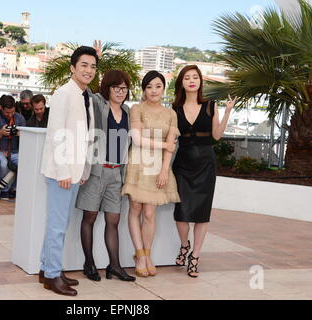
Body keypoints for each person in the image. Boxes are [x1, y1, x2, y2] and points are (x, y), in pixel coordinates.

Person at [39, 46, 98, 296]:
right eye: (84, 65)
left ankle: (47, 269)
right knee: (57, 226)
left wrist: (83, 169)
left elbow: (86, 137)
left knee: (60, 223)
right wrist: (64, 171)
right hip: (61, 172)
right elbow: (56, 135)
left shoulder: (87, 95)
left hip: (75, 171)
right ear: (72, 67)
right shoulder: (64, 93)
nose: (89, 70)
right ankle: (52, 275)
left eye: (93, 66)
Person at [172, 65, 236, 278]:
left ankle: (195, 257)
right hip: (182, 165)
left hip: (206, 166)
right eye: (187, 77)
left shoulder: (210, 105)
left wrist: (227, 112)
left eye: (195, 77)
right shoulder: (174, 108)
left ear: (200, 82)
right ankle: (184, 245)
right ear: (181, 82)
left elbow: (216, 135)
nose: (191, 80)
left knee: (201, 214)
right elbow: (170, 136)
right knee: (181, 212)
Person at [75, 70, 135, 282]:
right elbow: (87, 93)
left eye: (124, 88)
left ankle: (115, 266)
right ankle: (89, 263)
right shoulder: (98, 103)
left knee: (113, 220)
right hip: (96, 170)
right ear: (107, 88)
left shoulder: (127, 111)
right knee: (89, 217)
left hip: (116, 173)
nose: (120, 92)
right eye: (115, 87)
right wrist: (96, 67)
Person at [121, 71, 180, 278]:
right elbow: (136, 139)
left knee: (149, 214)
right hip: (138, 163)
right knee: (135, 209)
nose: (153, 91)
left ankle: (148, 254)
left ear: (164, 88)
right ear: (144, 89)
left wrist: (165, 170)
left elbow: (171, 147)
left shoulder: (171, 114)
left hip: (158, 167)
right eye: (149, 87)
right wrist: (164, 144)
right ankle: (139, 254)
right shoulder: (136, 109)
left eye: (157, 86)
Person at [0, 95, 26, 200]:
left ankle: (14, 189)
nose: (10, 115)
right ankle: (4, 190)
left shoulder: (20, 118)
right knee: (2, 164)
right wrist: (1, 133)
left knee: (25, 164)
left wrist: (21, 134)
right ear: (1, 108)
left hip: (15, 150)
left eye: (12, 112)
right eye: (7, 113)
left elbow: (26, 140)